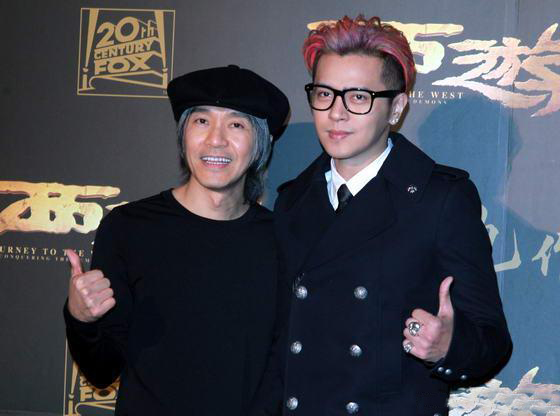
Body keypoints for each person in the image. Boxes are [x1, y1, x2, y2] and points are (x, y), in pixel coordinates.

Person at [271, 15, 512, 416]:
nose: (336, 113)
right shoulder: (291, 201)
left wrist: (447, 346)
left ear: (396, 107)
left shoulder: (440, 200)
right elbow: (278, 346)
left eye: (358, 97)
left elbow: (492, 341)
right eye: (324, 94)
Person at [63, 65, 290, 415]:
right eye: (201, 121)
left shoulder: (281, 239)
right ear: (183, 135)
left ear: (263, 143)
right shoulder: (128, 229)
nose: (215, 139)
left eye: (236, 125)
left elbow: (280, 371)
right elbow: (102, 370)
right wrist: (80, 318)